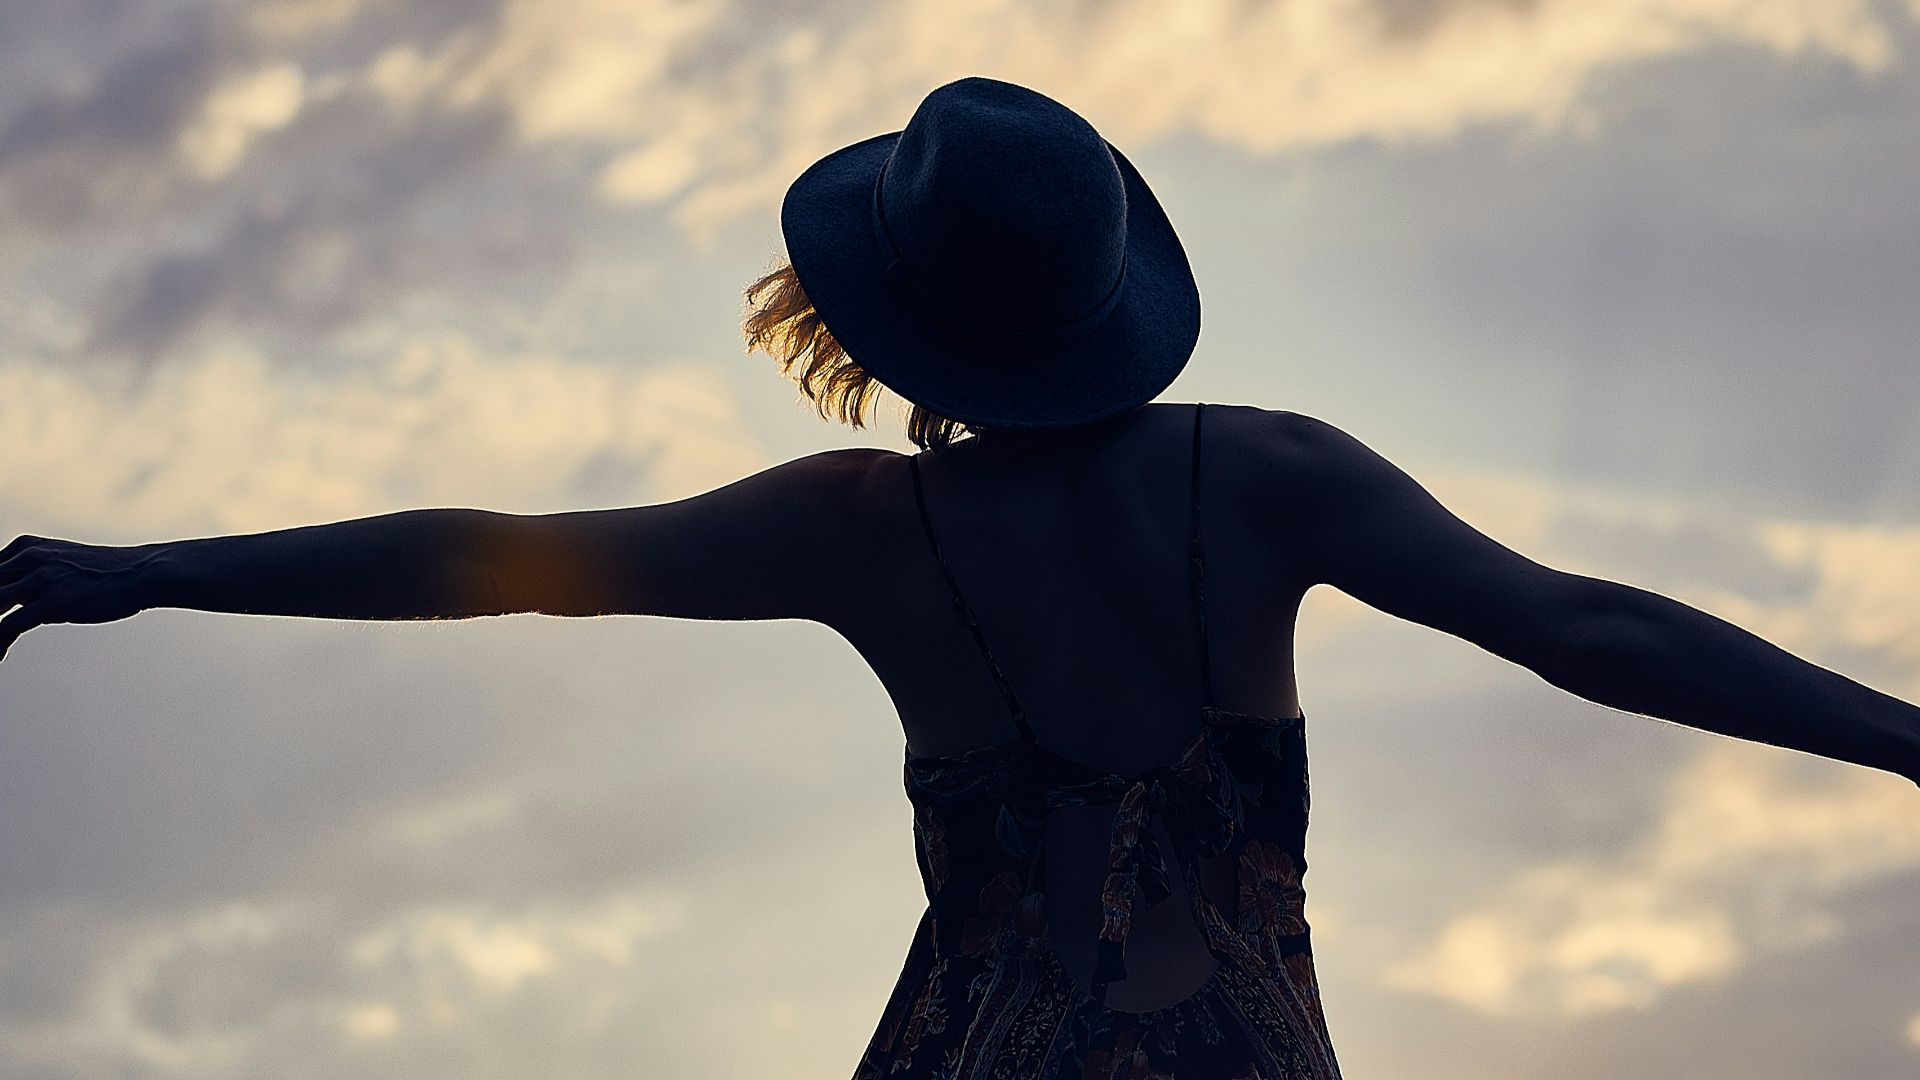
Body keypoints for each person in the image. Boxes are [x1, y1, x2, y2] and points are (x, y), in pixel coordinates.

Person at [0, 76, 1915, 1079]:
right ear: (1108, 290)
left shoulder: (864, 530)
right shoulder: (1269, 479)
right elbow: (1590, 627)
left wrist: (151, 566)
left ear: (891, 313)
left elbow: (498, 561)